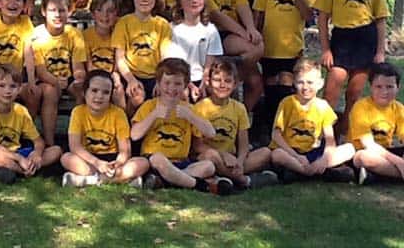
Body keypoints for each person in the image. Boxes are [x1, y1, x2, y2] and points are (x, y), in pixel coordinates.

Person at [316, 0, 388, 137]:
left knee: (354, 93)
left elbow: (381, 20)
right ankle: (323, 134)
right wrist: (326, 49)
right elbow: (322, 18)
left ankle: (345, 133)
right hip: (342, 38)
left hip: (365, 38)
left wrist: (380, 51)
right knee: (332, 87)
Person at [130, 58, 233, 194]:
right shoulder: (149, 106)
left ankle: (165, 181)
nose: (171, 88)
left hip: (181, 163)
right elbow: (134, 135)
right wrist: (154, 115)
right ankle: (200, 185)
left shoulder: (189, 109)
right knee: (159, 159)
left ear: (185, 86)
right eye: (167, 83)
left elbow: (211, 132)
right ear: (158, 84)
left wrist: (190, 116)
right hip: (155, 161)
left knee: (208, 166)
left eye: (177, 84)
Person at [252, 0, 314, 143]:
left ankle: (287, 132)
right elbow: (258, 17)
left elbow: (308, 17)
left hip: (292, 49)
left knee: (288, 89)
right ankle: (266, 132)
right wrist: (256, 41)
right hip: (270, 49)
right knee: (271, 88)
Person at [194, 60, 277, 189]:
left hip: (232, 158)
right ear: (208, 82)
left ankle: (225, 177)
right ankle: (244, 180)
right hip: (211, 156)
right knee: (211, 156)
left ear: (235, 84)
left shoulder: (239, 108)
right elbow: (198, 146)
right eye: (217, 80)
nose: (222, 85)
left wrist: (240, 161)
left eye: (227, 81)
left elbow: (244, 145)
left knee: (266, 153)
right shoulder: (200, 108)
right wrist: (222, 155)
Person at [270, 59, 355, 183]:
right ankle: (316, 173)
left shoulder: (323, 106)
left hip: (313, 152)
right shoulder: (287, 103)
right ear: (294, 82)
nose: (305, 87)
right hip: (291, 151)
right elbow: (275, 135)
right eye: (301, 82)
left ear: (320, 83)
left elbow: (330, 141)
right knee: (276, 155)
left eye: (310, 82)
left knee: (349, 149)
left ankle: (302, 172)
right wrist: (296, 156)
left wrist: (324, 159)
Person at [0, 64, 62, 184]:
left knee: (56, 151)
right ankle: (24, 170)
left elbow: (38, 141)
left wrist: (36, 154)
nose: (7, 91)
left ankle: (22, 169)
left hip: (17, 151)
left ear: (19, 89)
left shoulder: (20, 110)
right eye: (1, 86)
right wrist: (19, 159)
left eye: (13, 86)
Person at [61, 70, 149, 187]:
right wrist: (97, 163)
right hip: (89, 159)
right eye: (94, 91)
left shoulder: (118, 113)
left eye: (105, 92)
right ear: (84, 92)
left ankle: (90, 181)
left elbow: (125, 151)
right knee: (66, 158)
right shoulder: (78, 112)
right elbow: (75, 147)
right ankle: (122, 180)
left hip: (112, 159)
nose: (99, 96)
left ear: (111, 95)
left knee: (143, 163)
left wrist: (117, 163)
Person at [203, 0, 264, 112]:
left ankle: (240, 115)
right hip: (214, 34)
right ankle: (232, 76)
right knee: (253, 53)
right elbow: (218, 17)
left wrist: (251, 28)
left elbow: (243, 8)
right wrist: (244, 33)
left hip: (233, 34)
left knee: (257, 81)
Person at [32, 0, 87, 146]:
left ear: (69, 12)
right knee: (50, 92)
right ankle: (50, 142)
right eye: (52, 10)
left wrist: (78, 77)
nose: (57, 15)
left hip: (67, 77)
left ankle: (80, 141)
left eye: (62, 10)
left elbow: (78, 66)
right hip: (45, 79)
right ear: (43, 11)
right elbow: (40, 70)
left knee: (81, 89)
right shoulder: (37, 34)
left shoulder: (74, 34)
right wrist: (55, 81)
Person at [112, 0, 171, 112]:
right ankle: (128, 124)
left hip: (154, 75)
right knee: (137, 97)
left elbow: (165, 57)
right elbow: (119, 58)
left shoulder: (162, 24)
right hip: (131, 73)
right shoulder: (124, 22)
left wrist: (160, 80)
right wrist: (131, 80)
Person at [167, 0, 223, 103]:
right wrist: (190, 85)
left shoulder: (210, 29)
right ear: (180, 3)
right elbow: (175, 63)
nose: (194, 1)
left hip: (202, 77)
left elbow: (211, 59)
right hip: (180, 77)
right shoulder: (172, 29)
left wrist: (205, 80)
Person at [349, 62, 404, 184]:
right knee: (363, 157)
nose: (384, 92)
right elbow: (368, 144)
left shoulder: (399, 108)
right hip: (366, 151)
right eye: (379, 87)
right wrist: (399, 162)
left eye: (390, 87)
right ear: (371, 87)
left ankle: (380, 175)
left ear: (398, 88)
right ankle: (395, 175)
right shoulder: (361, 107)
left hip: (387, 152)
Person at [83, 0, 126, 108]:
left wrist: (114, 77)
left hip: (112, 76)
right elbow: (89, 65)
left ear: (117, 14)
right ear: (92, 13)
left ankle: (122, 122)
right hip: (92, 76)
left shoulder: (119, 33)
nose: (105, 15)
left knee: (119, 91)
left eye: (110, 11)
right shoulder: (86, 36)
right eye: (99, 10)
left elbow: (119, 62)